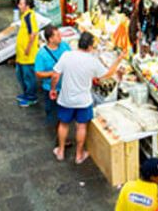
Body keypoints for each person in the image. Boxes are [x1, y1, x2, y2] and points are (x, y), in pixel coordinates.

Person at [51, 31, 125, 164]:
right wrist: (118, 60)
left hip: (66, 97)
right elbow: (107, 74)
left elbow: (55, 75)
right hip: (83, 101)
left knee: (63, 124)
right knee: (81, 126)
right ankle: (79, 155)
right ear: (90, 47)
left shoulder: (67, 55)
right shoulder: (93, 61)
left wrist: (53, 89)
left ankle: (60, 152)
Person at [35, 27, 70, 126]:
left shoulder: (65, 46)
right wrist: (54, 73)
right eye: (58, 35)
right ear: (50, 39)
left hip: (65, 87)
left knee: (64, 112)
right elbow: (38, 73)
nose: (61, 37)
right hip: (51, 89)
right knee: (53, 112)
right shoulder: (42, 54)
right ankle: (57, 132)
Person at [15, 0, 40, 107]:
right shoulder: (25, 16)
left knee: (28, 77)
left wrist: (28, 48)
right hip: (21, 55)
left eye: (21, 4)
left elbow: (33, 33)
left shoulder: (30, 16)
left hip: (27, 55)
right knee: (20, 75)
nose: (19, 6)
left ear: (27, 6)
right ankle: (26, 93)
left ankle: (31, 97)